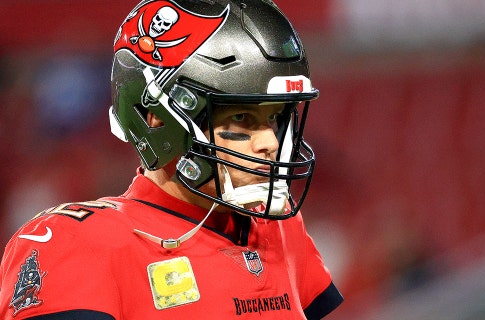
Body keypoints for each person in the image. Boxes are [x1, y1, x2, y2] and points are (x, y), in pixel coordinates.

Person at [0, 0, 344, 319]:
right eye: (241, 118)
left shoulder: (277, 227)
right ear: (158, 119)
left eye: (274, 119)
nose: (269, 142)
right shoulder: (75, 244)